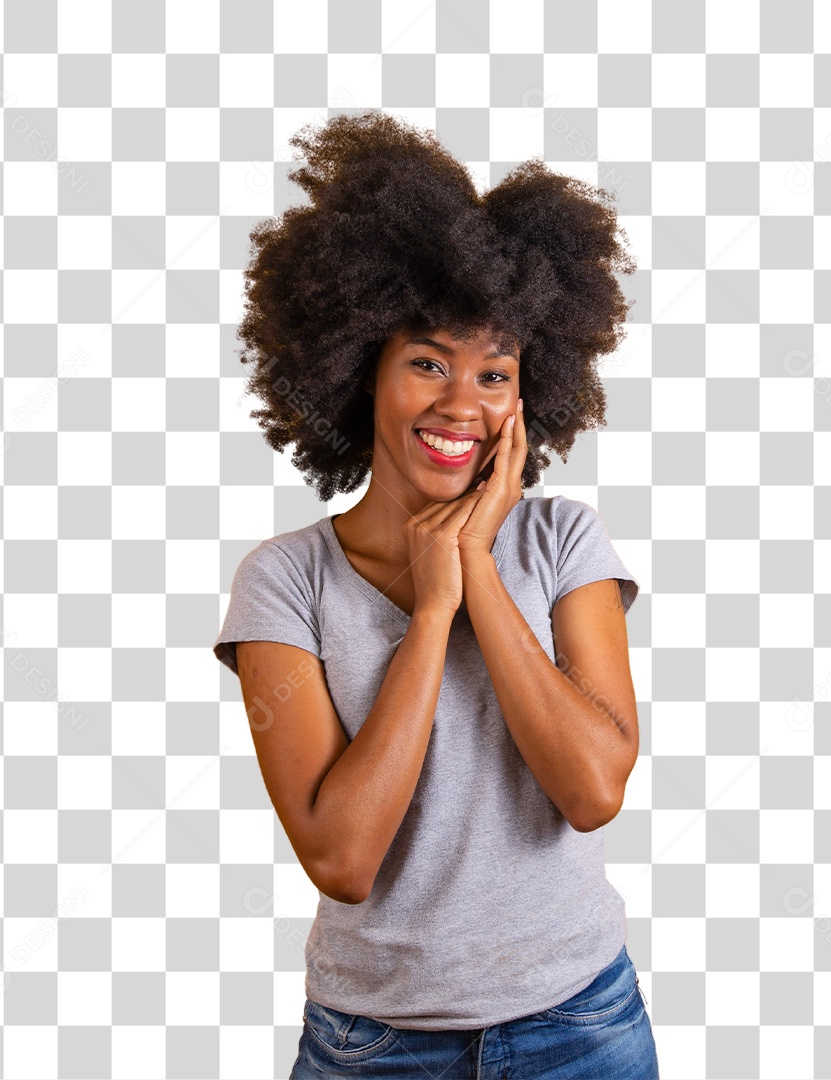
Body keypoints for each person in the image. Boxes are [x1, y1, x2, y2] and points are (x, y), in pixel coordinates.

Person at [213, 110, 659, 1079]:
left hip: (581, 1026)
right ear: (358, 366)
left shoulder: (562, 541)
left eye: (493, 372)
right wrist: (428, 613)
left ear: (529, 391)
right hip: (373, 1048)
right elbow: (342, 858)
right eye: (427, 361)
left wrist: (480, 575)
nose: (464, 403)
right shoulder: (285, 583)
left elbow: (593, 790)